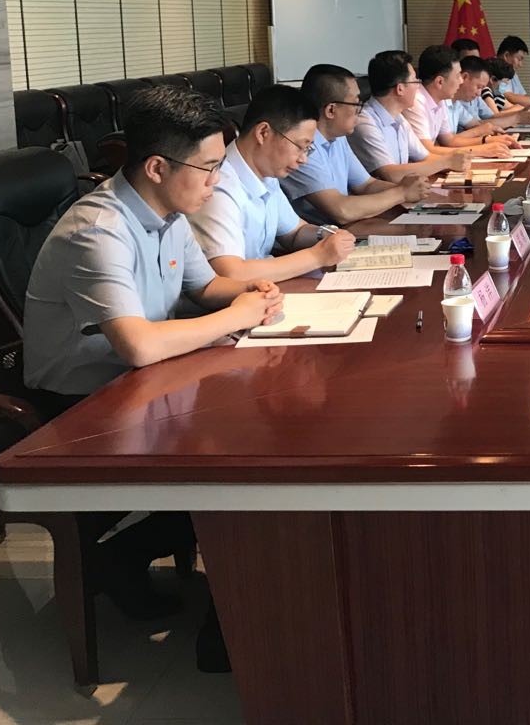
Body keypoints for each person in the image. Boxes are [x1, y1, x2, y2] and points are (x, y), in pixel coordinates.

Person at [22, 86, 282, 623]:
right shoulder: (99, 231)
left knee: (263, 431)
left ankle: (229, 593)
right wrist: (236, 317)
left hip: (140, 385)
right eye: (208, 169)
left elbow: (205, 287)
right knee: (236, 460)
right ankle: (119, 561)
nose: (217, 182)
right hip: (76, 407)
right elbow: (139, 346)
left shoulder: (170, 214)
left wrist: (250, 294)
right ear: (158, 167)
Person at [190, 85, 358, 281]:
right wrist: (318, 256)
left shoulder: (267, 174)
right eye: (300, 147)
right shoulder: (219, 186)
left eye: (308, 149)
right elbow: (231, 273)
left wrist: (326, 234)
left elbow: (294, 233)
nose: (303, 159)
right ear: (263, 133)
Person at [281, 63, 423, 225]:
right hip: (319, 235)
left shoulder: (338, 137)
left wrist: (413, 190)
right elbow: (341, 210)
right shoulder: (302, 150)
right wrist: (401, 193)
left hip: (345, 230)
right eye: (356, 104)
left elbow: (367, 185)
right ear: (331, 110)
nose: (360, 110)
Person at [349, 50, 470, 183]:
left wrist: (458, 161)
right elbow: (391, 174)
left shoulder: (399, 118)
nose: (419, 87)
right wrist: (446, 162)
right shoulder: (365, 122)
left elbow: (425, 157)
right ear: (400, 89)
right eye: (415, 81)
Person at [407, 45, 515, 157]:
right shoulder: (417, 101)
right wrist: (482, 150)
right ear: (440, 82)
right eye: (458, 76)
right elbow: (427, 151)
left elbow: (449, 140)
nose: (461, 81)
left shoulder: (440, 100)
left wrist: (487, 141)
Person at [456, 55, 525, 123]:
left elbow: (490, 117)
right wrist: (517, 117)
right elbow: (490, 119)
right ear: (464, 77)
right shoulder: (485, 92)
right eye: (479, 87)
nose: (479, 93)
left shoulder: (477, 98)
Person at [496, 35, 530, 107]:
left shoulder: (512, 73)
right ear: (506, 55)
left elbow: (523, 96)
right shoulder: (495, 70)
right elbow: (509, 97)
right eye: (519, 59)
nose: (520, 65)